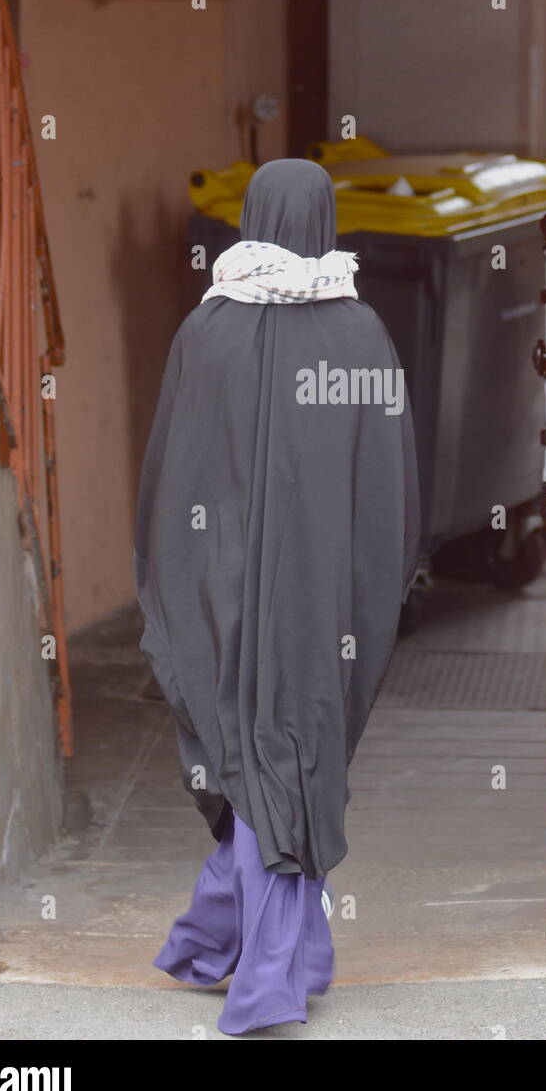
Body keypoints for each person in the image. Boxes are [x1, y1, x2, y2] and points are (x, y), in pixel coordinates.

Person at [134, 157, 420, 1035]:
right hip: (322, 598)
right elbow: (389, 486)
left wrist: (170, 576)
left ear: (250, 217)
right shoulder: (361, 332)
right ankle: (269, 970)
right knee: (291, 754)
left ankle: (227, 945)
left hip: (220, 585)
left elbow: (167, 473)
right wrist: (378, 579)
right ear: (328, 219)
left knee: (248, 753)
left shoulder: (207, 331)